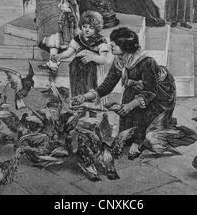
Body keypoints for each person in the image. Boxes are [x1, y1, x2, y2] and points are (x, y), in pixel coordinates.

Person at [72, 27, 177, 159]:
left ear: (125, 46)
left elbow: (151, 90)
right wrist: (84, 97)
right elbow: (108, 84)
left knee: (133, 94)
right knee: (130, 92)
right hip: (139, 92)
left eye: (115, 43)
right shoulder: (119, 60)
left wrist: (129, 106)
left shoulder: (145, 61)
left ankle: (137, 141)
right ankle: (127, 135)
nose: (111, 45)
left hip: (160, 94)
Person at [53, 11, 110, 110]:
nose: (87, 30)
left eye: (91, 28)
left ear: (96, 29)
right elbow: (69, 52)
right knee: (79, 101)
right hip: (78, 73)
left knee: (92, 102)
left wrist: (92, 57)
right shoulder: (77, 39)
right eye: (84, 26)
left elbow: (104, 59)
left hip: (93, 73)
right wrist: (60, 56)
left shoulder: (101, 41)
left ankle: (93, 119)